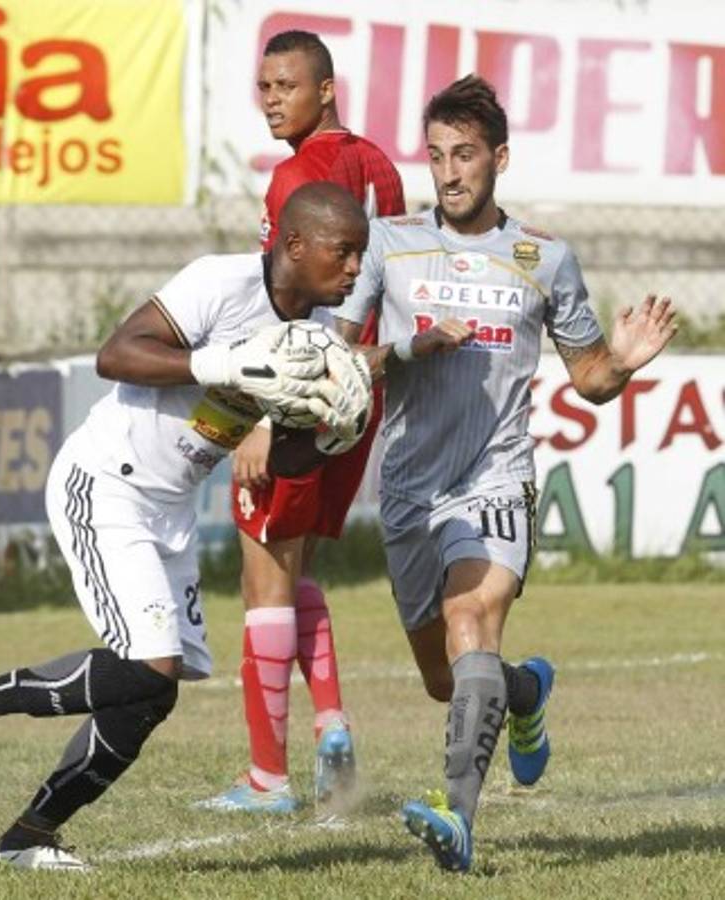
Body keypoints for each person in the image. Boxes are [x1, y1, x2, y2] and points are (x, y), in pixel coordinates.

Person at [0, 182, 372, 871]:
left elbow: (277, 454)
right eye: (345, 252)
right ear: (295, 245)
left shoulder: (311, 340)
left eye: (361, 255)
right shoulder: (219, 282)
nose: (357, 269)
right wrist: (218, 361)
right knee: (148, 665)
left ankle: (28, 837)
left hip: (170, 511)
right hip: (105, 485)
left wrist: (333, 439)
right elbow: (117, 353)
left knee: (151, 696)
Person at [335, 75, 677, 872]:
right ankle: (525, 695)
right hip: (409, 493)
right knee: (447, 680)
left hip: (496, 481)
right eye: (437, 157)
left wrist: (620, 364)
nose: (449, 172)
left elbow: (588, 375)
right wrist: (407, 349)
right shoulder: (390, 244)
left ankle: (459, 823)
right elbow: (338, 357)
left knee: (471, 622)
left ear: (500, 158)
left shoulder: (544, 258)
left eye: (465, 155)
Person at [199, 29, 406, 815]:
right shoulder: (378, 163)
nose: (270, 100)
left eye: (285, 85)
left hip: (305, 393)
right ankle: (329, 729)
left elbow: (294, 307)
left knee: (263, 580)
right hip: (361, 391)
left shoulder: (299, 176)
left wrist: (261, 418)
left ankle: (267, 779)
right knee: (294, 568)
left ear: (326, 89)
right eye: (263, 87)